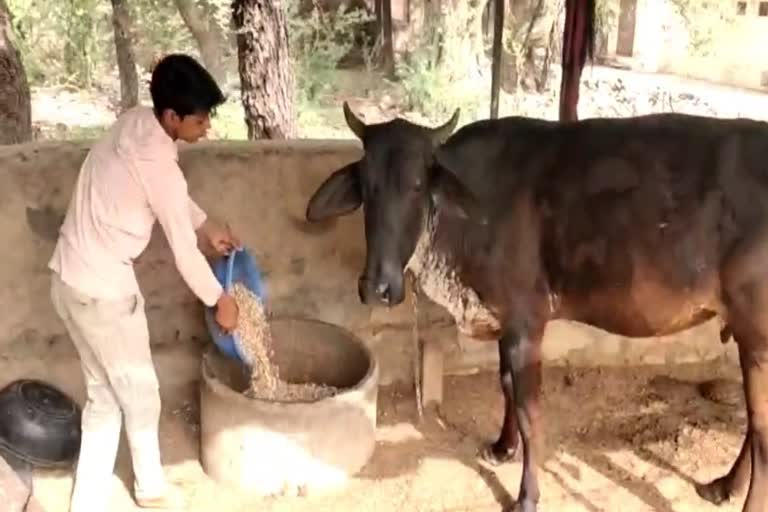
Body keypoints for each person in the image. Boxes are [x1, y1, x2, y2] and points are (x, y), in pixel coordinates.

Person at [48, 53, 240, 511]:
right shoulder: (159, 165)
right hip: (105, 294)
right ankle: (152, 490)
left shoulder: (135, 122)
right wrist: (221, 300)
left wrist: (206, 223)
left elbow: (169, 198)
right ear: (172, 117)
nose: (206, 128)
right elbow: (183, 252)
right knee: (142, 396)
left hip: (67, 279)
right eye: (200, 119)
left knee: (104, 397)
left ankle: (87, 500)